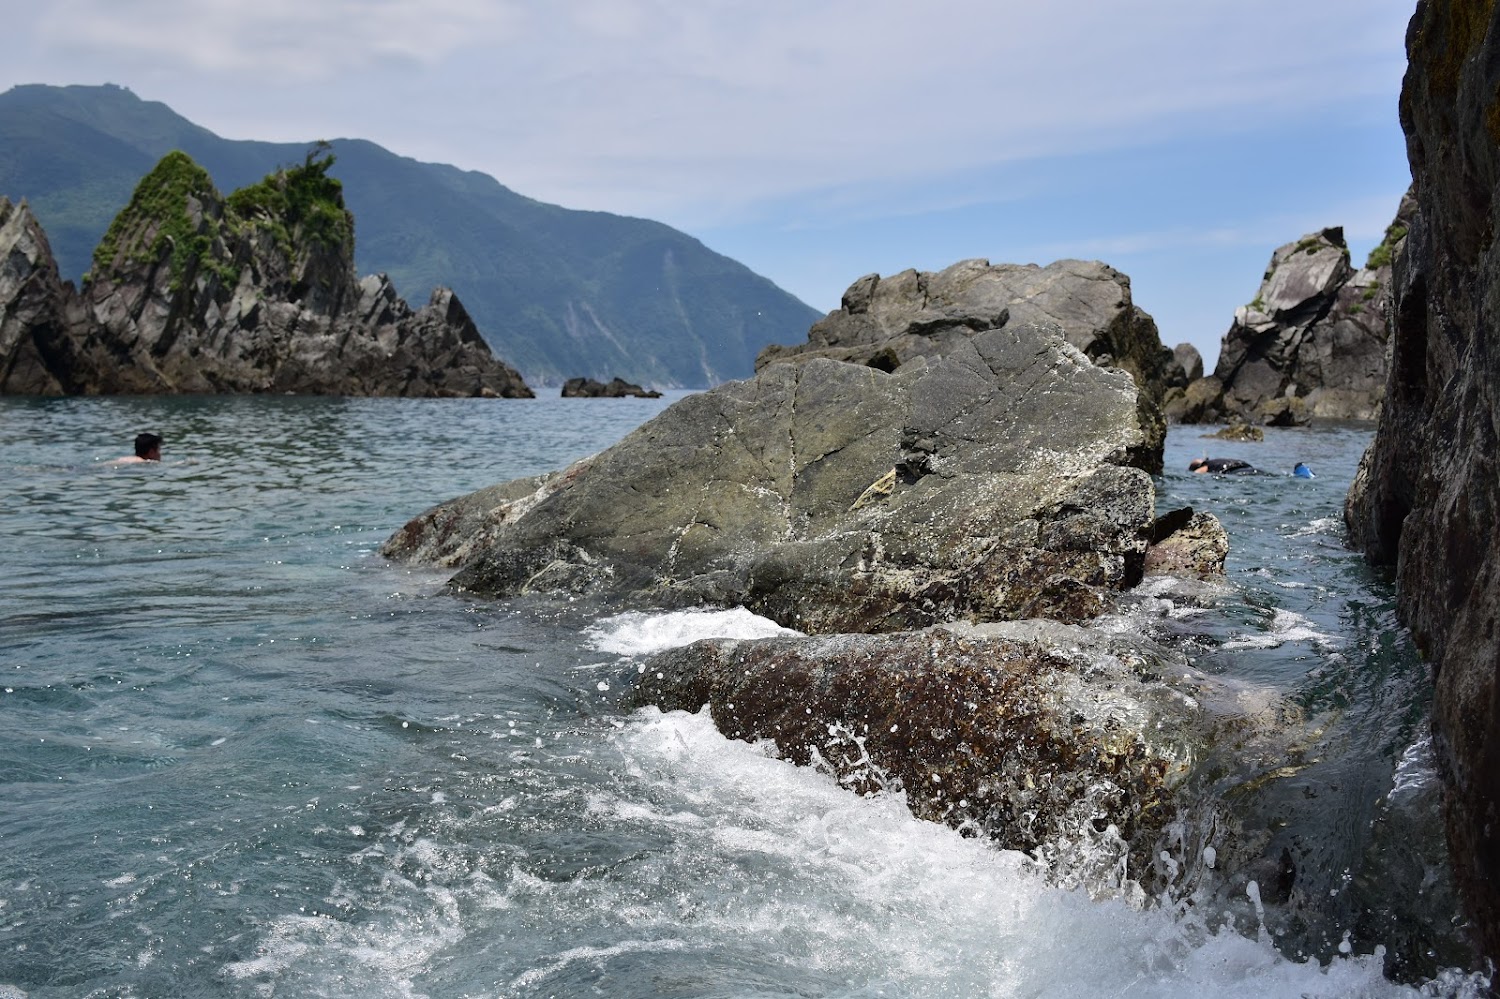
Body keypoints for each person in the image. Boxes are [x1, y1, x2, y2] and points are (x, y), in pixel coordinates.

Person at [1188, 456, 1256, 474]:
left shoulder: (1208, 463)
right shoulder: (1205, 465)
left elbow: (1196, 473)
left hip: (1236, 470)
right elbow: (1197, 472)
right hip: (1245, 466)